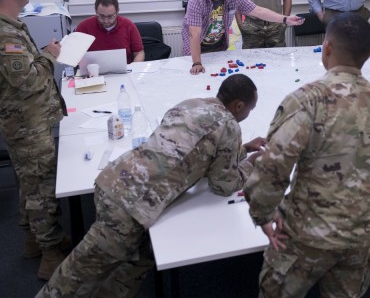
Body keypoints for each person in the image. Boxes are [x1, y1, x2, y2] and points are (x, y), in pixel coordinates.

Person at [37, 73, 266, 297]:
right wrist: (251, 164)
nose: (248, 113)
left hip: (116, 180)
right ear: (238, 106)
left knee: (139, 258)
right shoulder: (229, 126)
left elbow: (198, 153)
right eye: (250, 108)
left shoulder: (191, 104)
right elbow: (223, 184)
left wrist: (242, 149)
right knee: (81, 272)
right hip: (128, 207)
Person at [244, 13, 370, 297]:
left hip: (305, 237)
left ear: (326, 48)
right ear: (368, 54)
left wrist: (263, 214)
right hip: (358, 235)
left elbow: (273, 166)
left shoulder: (306, 100)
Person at [0, 0, 69, 280]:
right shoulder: (5, 34)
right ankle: (51, 252)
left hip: (24, 123)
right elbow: (26, 80)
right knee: (41, 186)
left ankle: (32, 240)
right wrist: (51, 55)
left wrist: (42, 54)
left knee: (28, 183)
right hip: (27, 124)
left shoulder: (13, 25)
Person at [182, 0, 303, 75]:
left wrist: (285, 19)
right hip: (197, 51)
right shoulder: (197, 0)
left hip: (219, 48)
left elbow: (258, 11)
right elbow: (194, 34)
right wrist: (197, 63)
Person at [75, 0, 145, 63]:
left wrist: (134, 69)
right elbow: (74, 55)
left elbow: (139, 53)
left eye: (110, 16)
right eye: (101, 16)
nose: (106, 21)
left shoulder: (128, 26)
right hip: (93, 72)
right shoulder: (83, 27)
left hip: (124, 72)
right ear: (95, 11)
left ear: (117, 12)